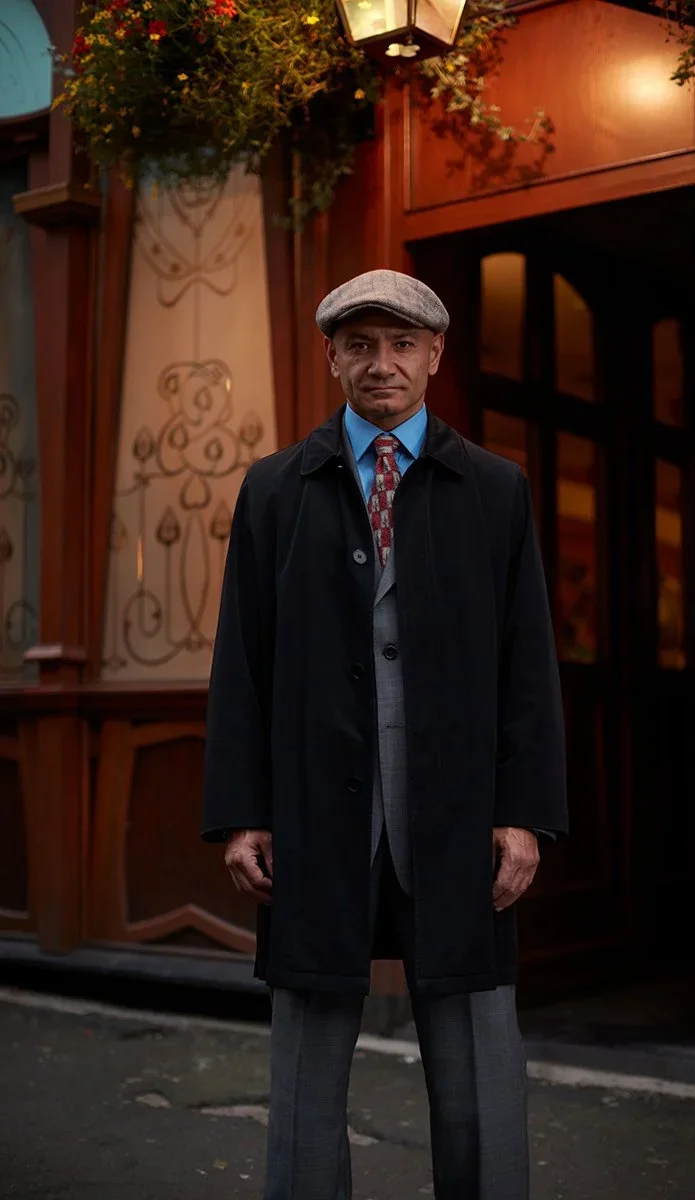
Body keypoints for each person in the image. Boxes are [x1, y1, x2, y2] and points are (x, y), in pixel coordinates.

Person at [202, 268, 568, 1200]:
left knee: (478, 1078)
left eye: (402, 344)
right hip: (318, 819)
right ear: (332, 356)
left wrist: (524, 813)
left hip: (459, 818)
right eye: (360, 344)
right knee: (305, 1084)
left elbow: (528, 666)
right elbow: (241, 663)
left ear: (436, 357)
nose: (382, 363)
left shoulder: (494, 490)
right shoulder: (276, 489)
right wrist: (243, 812)